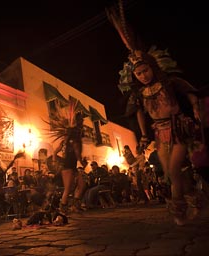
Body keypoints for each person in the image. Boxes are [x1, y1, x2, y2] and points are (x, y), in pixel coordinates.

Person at [107, 3, 203, 225]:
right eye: (138, 73)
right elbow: (140, 113)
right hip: (159, 133)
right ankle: (196, 200)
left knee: (173, 168)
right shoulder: (139, 93)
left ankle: (178, 210)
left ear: (152, 67)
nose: (142, 75)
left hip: (178, 127)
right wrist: (142, 135)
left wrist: (195, 107)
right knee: (171, 173)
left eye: (145, 70)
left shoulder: (168, 82)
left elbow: (188, 91)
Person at [51, 100, 84, 214]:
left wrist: (55, 160)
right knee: (68, 188)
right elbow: (77, 153)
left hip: (71, 166)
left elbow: (55, 152)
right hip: (67, 166)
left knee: (81, 184)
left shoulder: (66, 142)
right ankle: (63, 207)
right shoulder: (72, 141)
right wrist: (82, 162)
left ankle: (75, 205)